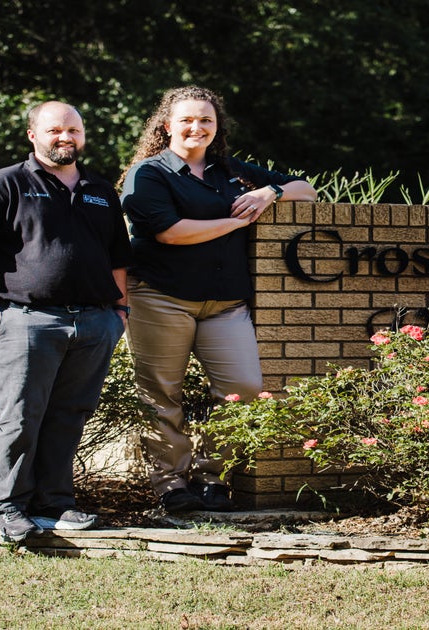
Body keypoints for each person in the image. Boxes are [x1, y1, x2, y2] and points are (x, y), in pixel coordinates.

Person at [119, 86, 317, 514]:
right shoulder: (148, 174)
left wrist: (269, 193)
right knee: (162, 395)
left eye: (206, 120)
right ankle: (171, 484)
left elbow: (307, 190)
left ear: (217, 126)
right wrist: (237, 222)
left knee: (242, 389)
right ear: (167, 126)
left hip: (225, 303)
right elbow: (172, 233)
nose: (197, 127)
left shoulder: (229, 170)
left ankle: (213, 479)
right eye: (187, 120)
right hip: (161, 297)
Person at [0, 101, 132, 542]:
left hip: (93, 323)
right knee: (18, 417)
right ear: (33, 135)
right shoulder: (2, 185)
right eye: (54, 130)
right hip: (24, 320)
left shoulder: (100, 191)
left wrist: (119, 313)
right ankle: (6, 507)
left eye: (74, 130)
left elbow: (117, 258)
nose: (65, 137)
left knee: (69, 415)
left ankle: (54, 504)